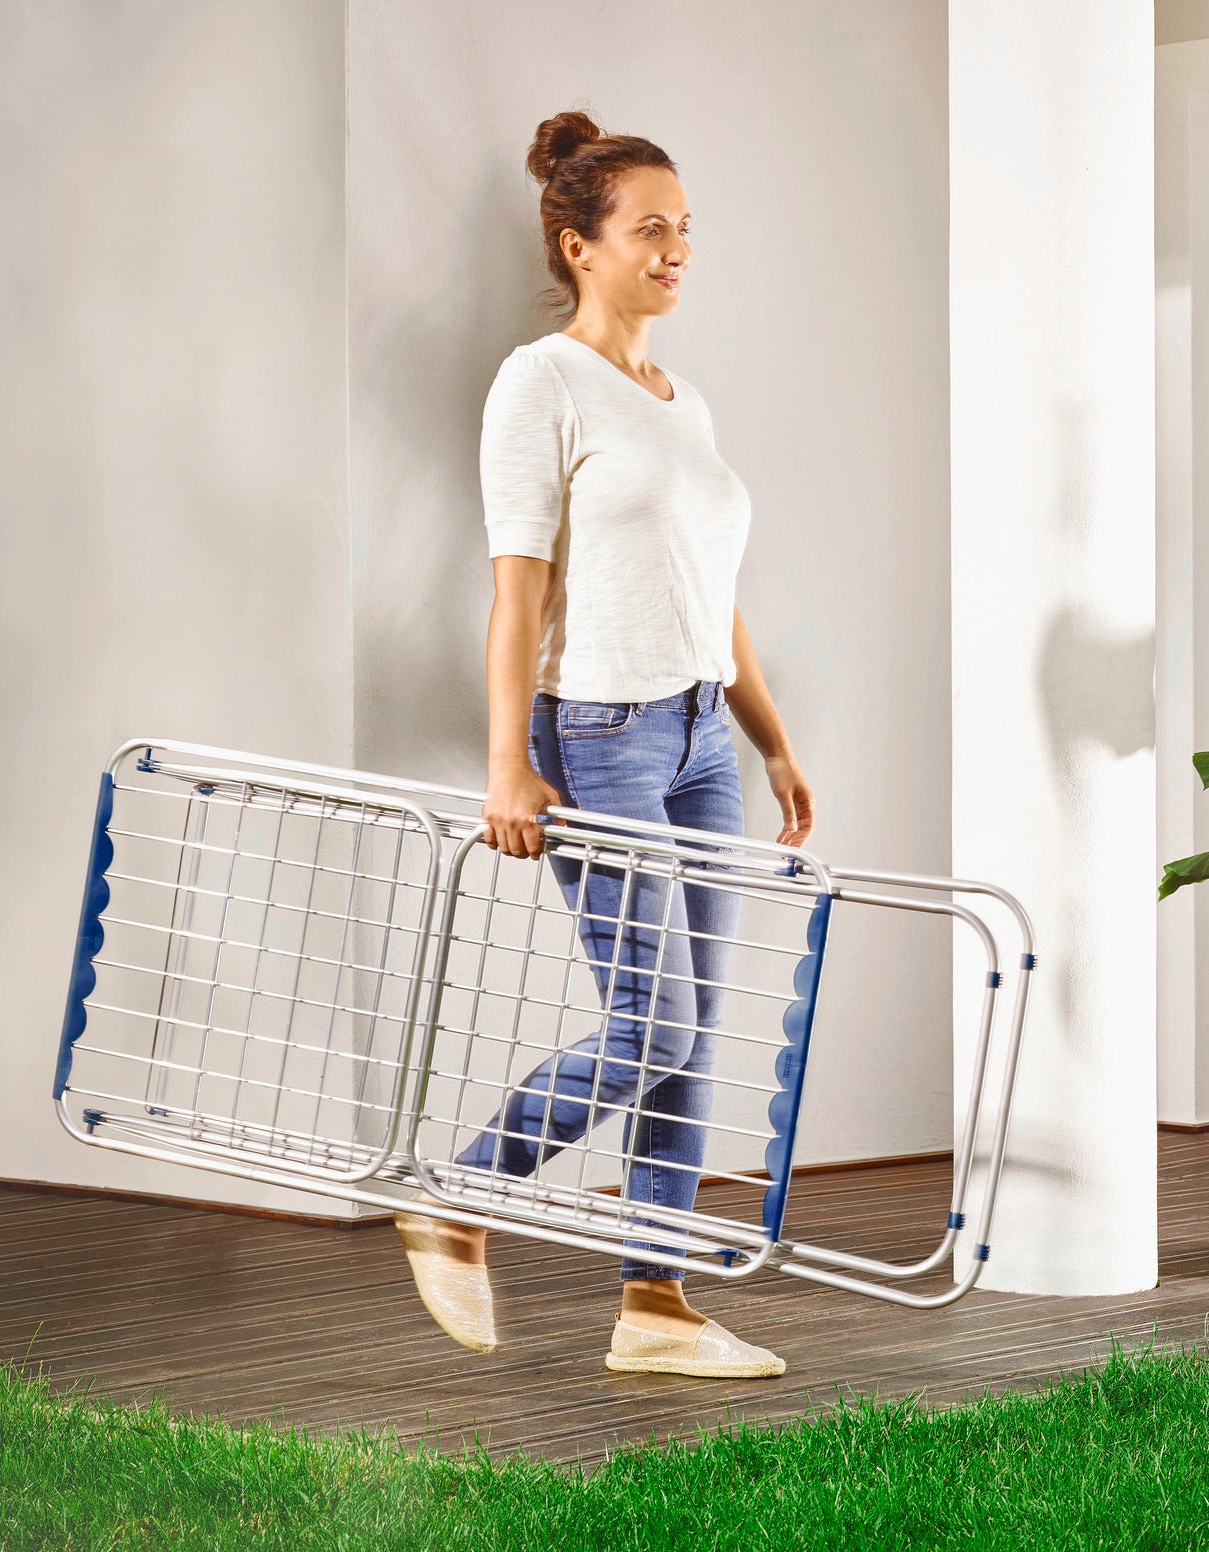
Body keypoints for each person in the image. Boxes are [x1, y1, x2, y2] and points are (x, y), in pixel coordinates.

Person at [392, 109, 815, 1379]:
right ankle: (458, 1193)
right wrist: (507, 761)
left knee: (695, 1025)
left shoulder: (685, 402)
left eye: (685, 228)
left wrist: (771, 740)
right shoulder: (540, 382)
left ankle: (656, 1305)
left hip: (697, 737)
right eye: (649, 229)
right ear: (580, 247)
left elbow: (713, 591)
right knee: (659, 1025)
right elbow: (517, 590)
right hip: (595, 733)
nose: (676, 248)